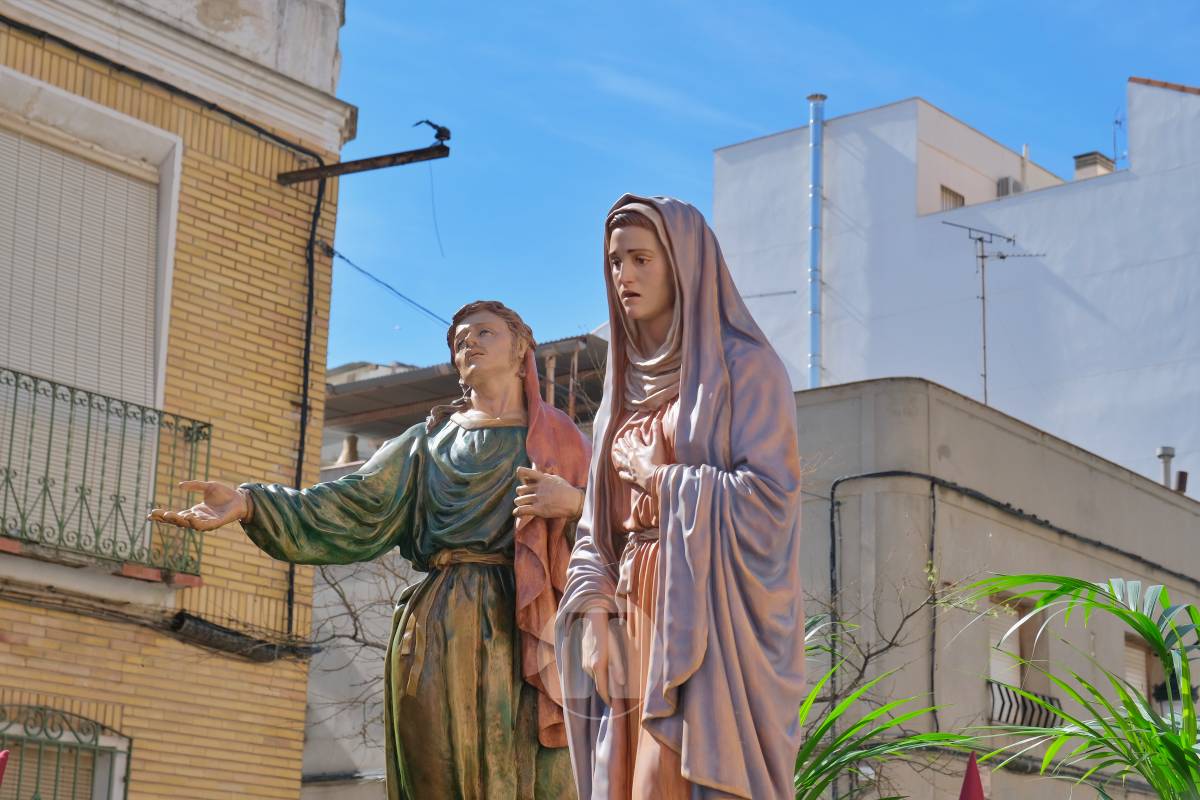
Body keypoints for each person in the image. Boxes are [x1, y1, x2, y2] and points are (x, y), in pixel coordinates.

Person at [150, 300, 589, 800]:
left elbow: (619, 534)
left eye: (485, 332)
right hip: (439, 627)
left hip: (530, 625)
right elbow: (350, 503)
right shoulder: (426, 444)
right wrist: (252, 503)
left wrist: (574, 504)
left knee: (536, 773)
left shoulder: (560, 440)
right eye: (460, 338)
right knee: (437, 774)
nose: (469, 341)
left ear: (521, 348)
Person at [556, 196, 804, 799]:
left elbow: (771, 501)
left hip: (707, 616)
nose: (624, 277)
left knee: (668, 781)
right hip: (630, 613)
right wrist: (592, 618)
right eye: (615, 262)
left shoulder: (747, 369)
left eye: (641, 259)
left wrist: (662, 479)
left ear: (684, 266)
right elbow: (595, 530)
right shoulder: (621, 390)